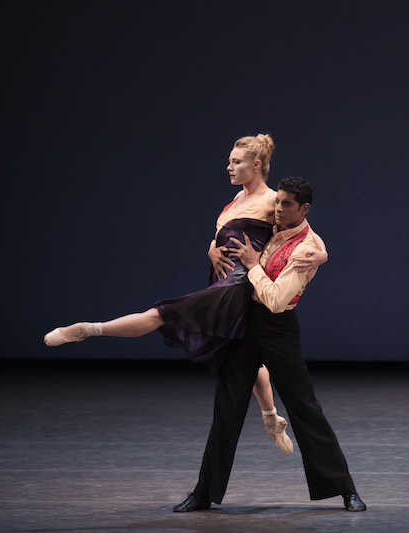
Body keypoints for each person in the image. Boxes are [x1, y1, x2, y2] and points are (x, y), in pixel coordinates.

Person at [44, 135, 328, 455]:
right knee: (238, 352)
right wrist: (211, 249)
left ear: (257, 165)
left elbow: (307, 232)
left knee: (162, 314)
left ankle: (87, 330)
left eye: (236, 162)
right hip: (221, 281)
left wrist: (322, 255)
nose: (229, 167)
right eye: (230, 161)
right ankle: (271, 417)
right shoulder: (236, 199)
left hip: (236, 288)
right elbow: (222, 235)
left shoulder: (272, 199)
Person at [172, 177, 366, 513]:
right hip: (243, 324)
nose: (278, 208)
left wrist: (253, 265)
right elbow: (227, 227)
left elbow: (276, 301)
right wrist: (211, 248)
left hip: (277, 329)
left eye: (287, 204)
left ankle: (345, 489)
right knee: (226, 411)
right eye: (278, 201)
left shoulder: (306, 249)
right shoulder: (270, 226)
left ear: (304, 209)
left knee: (304, 408)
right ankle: (203, 493)